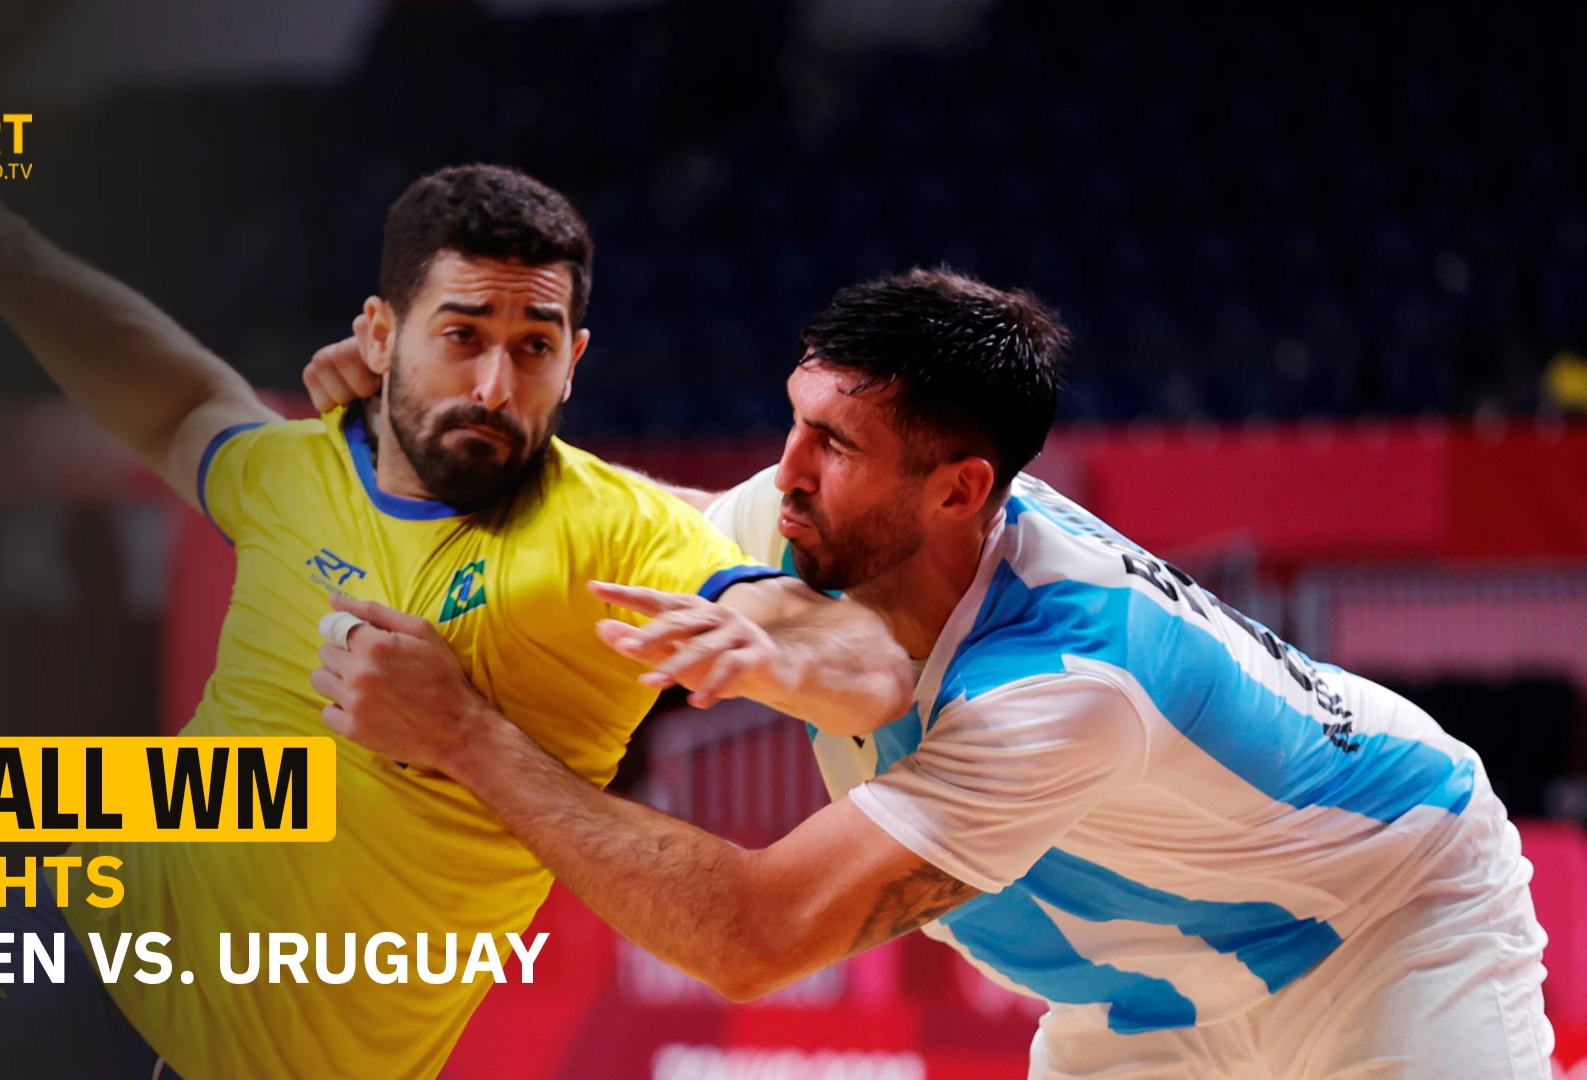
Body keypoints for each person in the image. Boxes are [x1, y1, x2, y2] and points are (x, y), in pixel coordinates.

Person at [305, 267, 1554, 1080]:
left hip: (1384, 925)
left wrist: (466, 738)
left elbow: (753, 937)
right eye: (794, 418)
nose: (786, 471)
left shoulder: (1061, 684)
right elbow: (572, 534)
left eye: (834, 443)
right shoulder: (802, 519)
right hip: (1147, 1004)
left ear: (961, 492)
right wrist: (406, 435)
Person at [0, 141, 915, 1078]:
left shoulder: (614, 531)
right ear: (380, 332)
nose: (495, 385)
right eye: (461, 335)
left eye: (535, 346)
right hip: (64, 975)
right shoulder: (299, 470)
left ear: (574, 361)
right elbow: (177, 403)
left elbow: (868, 666)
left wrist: (773, 651)